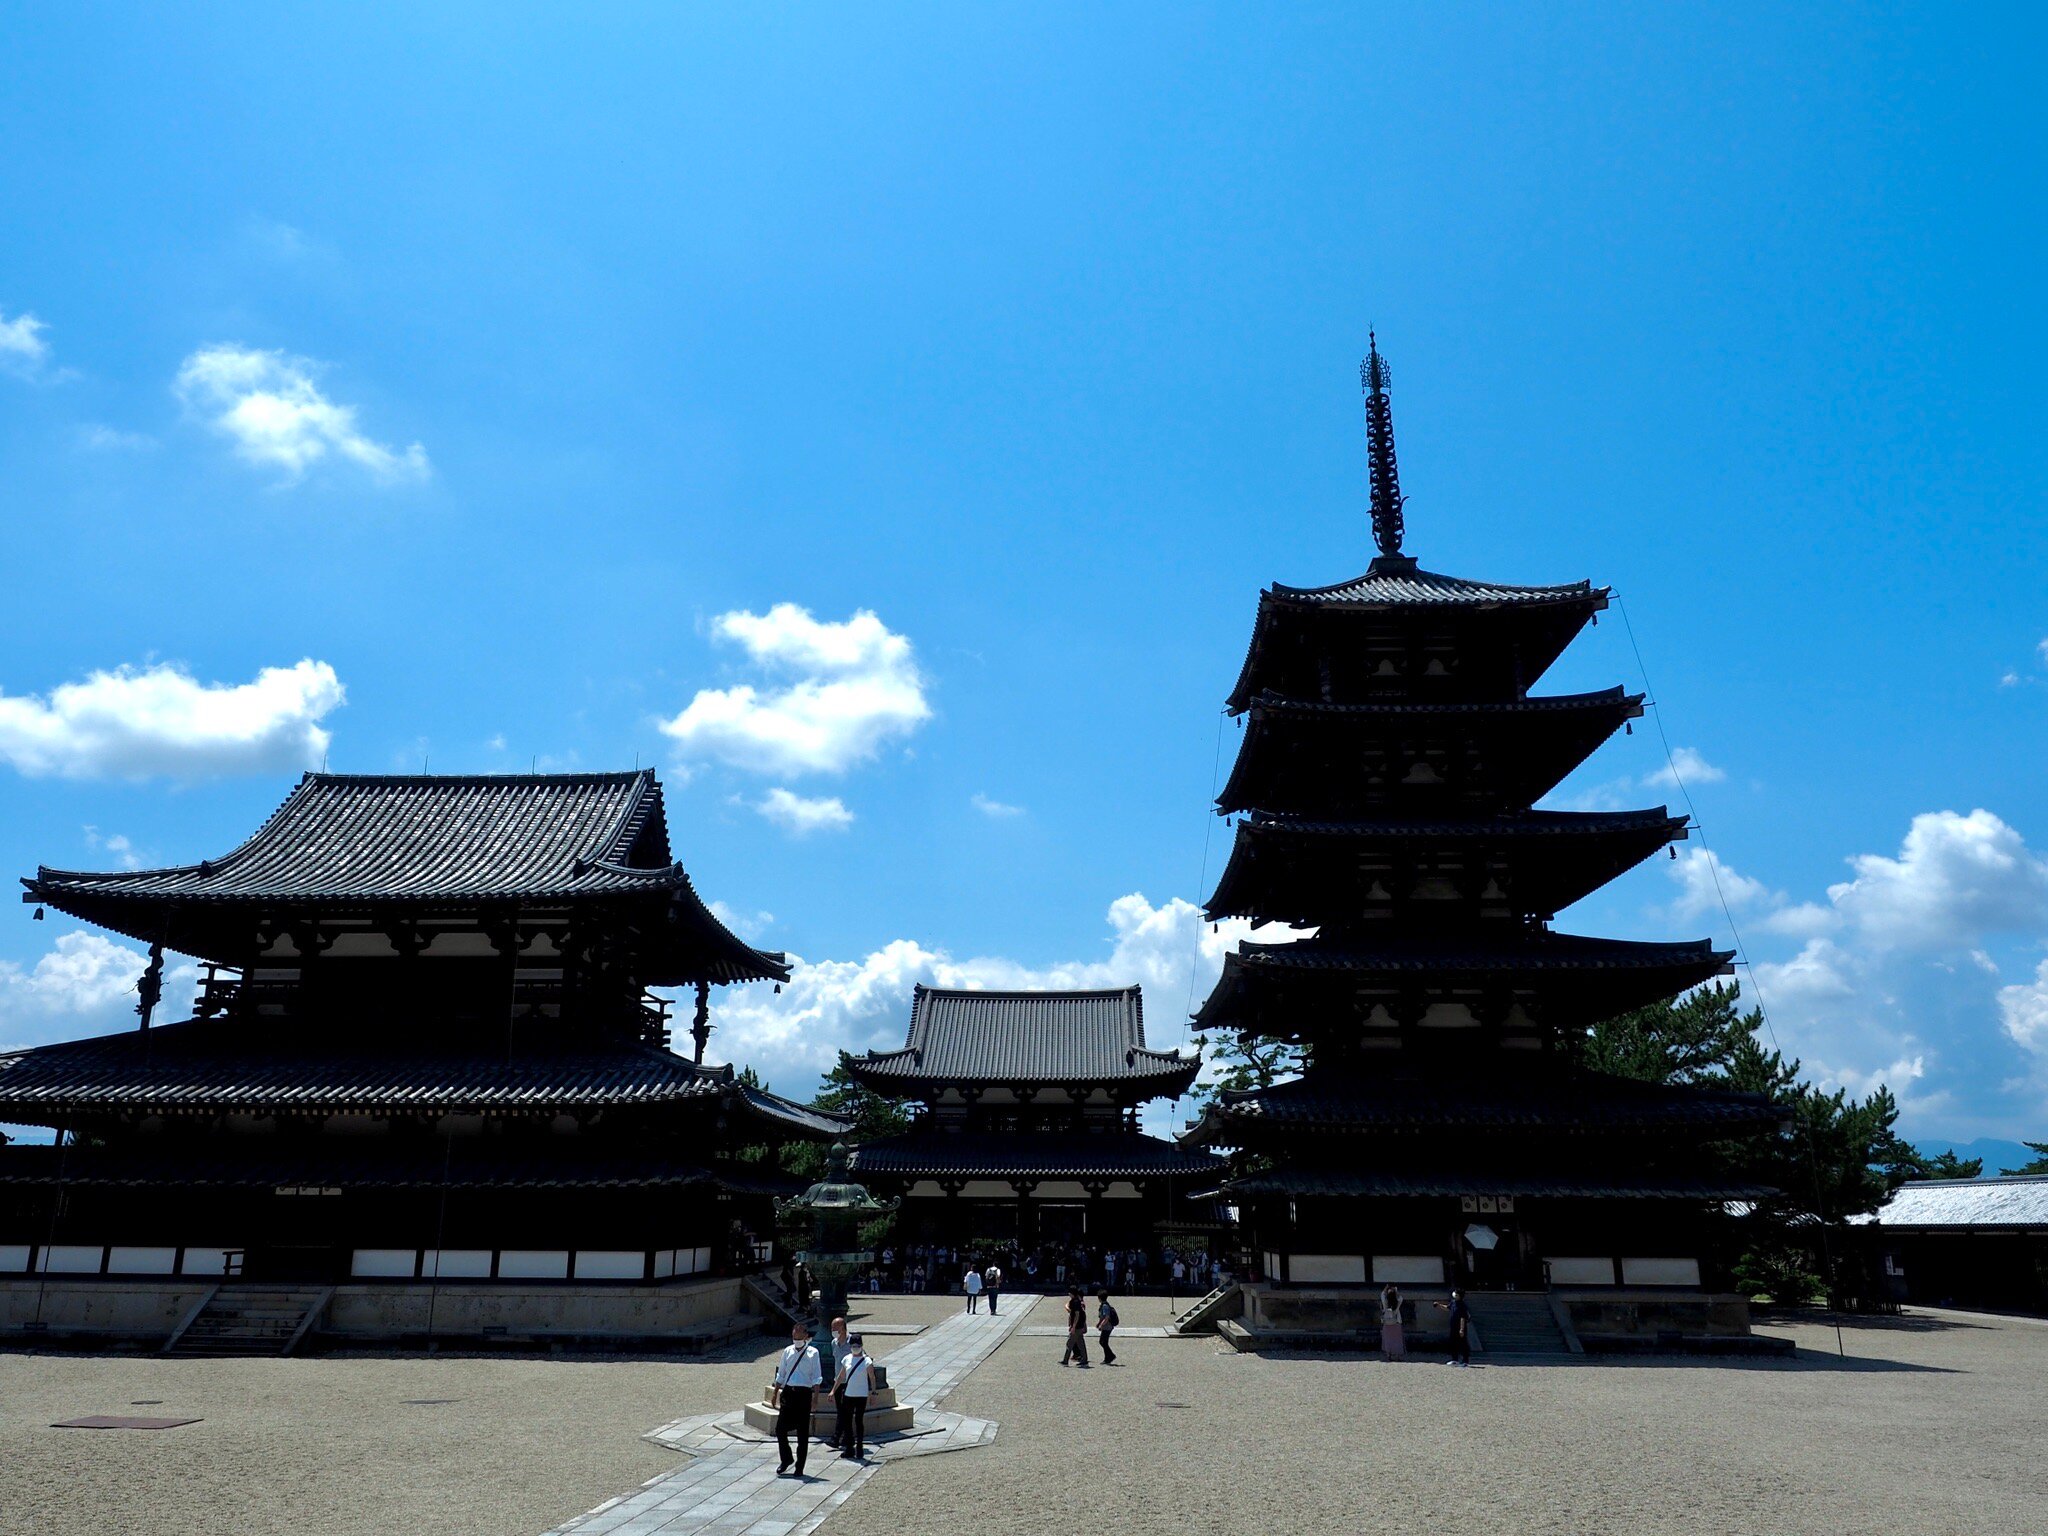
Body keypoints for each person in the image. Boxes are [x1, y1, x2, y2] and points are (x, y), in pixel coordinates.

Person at [770, 1322, 823, 1476]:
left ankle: (800, 1466)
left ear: (806, 1336)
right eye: (794, 1337)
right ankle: (786, 1458)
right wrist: (775, 1392)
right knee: (780, 1429)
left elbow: (816, 1377)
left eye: (799, 1336)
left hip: (803, 1394)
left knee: (802, 1432)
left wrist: (815, 1398)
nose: (796, 1339)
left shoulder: (813, 1353)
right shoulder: (787, 1351)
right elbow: (782, 1373)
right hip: (789, 1392)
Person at [833, 1332, 874, 1459]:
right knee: (847, 1421)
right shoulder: (846, 1359)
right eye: (853, 1345)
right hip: (848, 1394)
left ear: (861, 1346)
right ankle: (850, 1447)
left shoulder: (867, 1360)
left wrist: (873, 1392)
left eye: (857, 1345)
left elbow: (872, 1377)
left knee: (859, 1421)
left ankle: (860, 1446)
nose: (855, 1348)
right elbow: (840, 1377)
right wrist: (833, 1391)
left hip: (861, 1395)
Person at [821, 1316, 850, 1448]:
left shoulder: (852, 1343)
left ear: (843, 1328)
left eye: (835, 1328)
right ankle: (847, 1437)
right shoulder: (834, 1343)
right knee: (841, 1410)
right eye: (832, 1328)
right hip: (837, 1381)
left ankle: (836, 1437)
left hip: (849, 1382)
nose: (833, 1330)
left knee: (844, 1410)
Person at [1438, 1288, 1471, 1366]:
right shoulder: (1453, 1302)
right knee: (1453, 1343)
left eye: (1456, 1294)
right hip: (1453, 1326)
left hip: (1460, 1327)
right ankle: (1454, 1359)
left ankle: (1465, 1360)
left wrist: (1462, 1329)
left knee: (1463, 1343)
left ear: (1460, 1296)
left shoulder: (1462, 1305)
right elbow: (1447, 1308)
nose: (1454, 1295)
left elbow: (1463, 1318)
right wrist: (1439, 1305)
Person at [1060, 1287, 1090, 1367]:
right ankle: (1084, 1359)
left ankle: (1065, 1360)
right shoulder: (1076, 1301)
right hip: (1079, 1325)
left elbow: (1076, 1314)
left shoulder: (1075, 1302)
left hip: (1077, 1326)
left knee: (1070, 1343)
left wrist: (1073, 1326)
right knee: (1080, 1343)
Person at [1380, 1284, 1406, 1360]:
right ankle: (1397, 1355)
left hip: (1387, 1322)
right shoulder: (1397, 1302)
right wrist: (1396, 1290)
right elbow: (1401, 1298)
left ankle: (1389, 1355)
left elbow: (1382, 1294)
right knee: (1397, 1340)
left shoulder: (1385, 1303)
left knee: (1388, 1339)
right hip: (1396, 1322)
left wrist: (1386, 1287)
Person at [1096, 1293, 1120, 1365]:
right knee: (1103, 1342)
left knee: (1103, 1342)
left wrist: (1101, 1325)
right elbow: (1102, 1317)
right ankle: (1108, 1357)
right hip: (1106, 1326)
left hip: (1107, 1327)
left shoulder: (1105, 1306)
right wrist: (1099, 1323)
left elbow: (1106, 1317)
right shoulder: (1105, 1305)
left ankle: (1110, 1356)